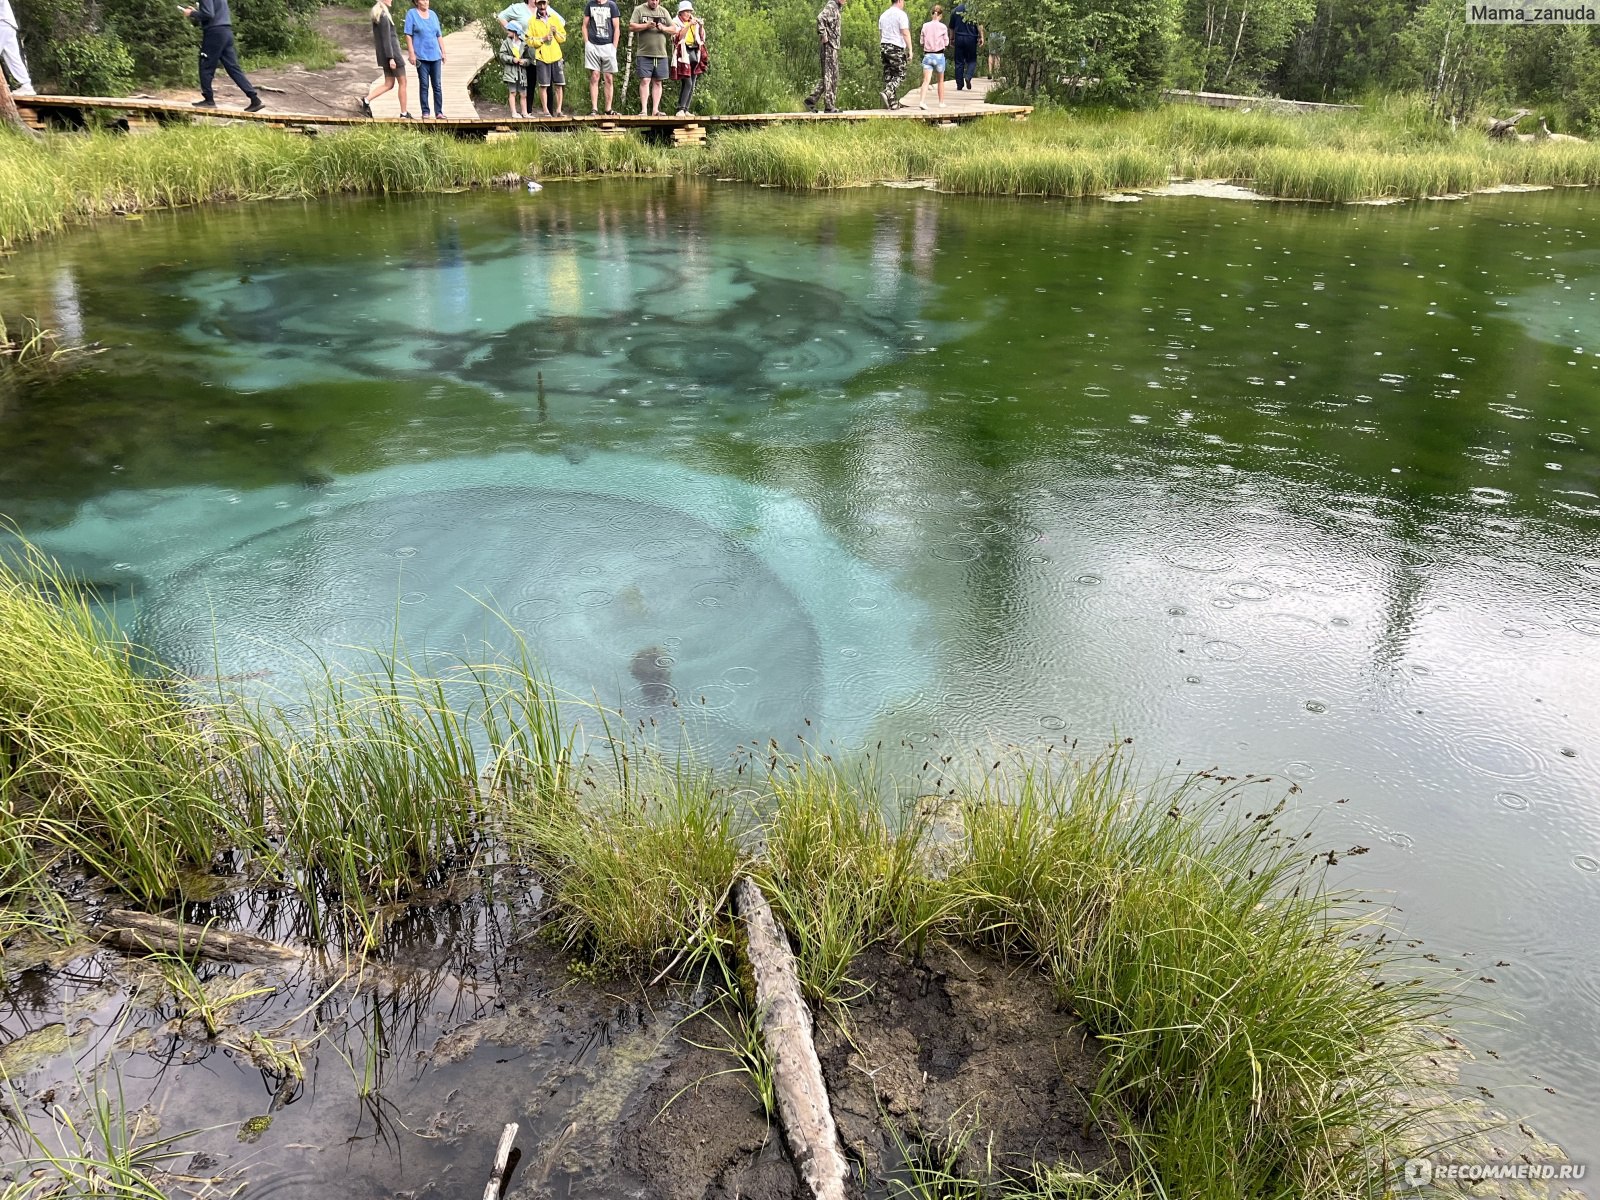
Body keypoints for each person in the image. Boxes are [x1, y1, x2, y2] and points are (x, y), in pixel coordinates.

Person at [180, 0, 263, 112]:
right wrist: (198, 12)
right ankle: (255, 99)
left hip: (214, 33)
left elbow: (209, 14)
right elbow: (214, 12)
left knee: (205, 65)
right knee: (233, 68)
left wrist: (191, 13)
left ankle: (209, 100)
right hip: (226, 31)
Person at [362, 0, 411, 118]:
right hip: (393, 55)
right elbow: (387, 39)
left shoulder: (379, 14)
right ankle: (404, 113)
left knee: (389, 83)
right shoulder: (383, 16)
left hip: (385, 56)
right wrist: (391, 58)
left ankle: (366, 100)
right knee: (403, 83)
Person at [629, 0, 675, 117]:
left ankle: (655, 110)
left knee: (658, 81)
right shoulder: (639, 10)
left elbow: (674, 29)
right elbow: (631, 26)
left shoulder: (663, 11)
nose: (654, 2)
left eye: (656, 0)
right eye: (652, 0)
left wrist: (663, 28)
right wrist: (646, 25)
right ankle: (644, 110)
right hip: (644, 53)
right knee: (645, 80)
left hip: (661, 54)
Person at [405, 0, 446, 118]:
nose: (426, 2)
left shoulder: (433, 15)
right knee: (424, 84)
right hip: (421, 57)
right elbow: (408, 35)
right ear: (417, 2)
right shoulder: (411, 14)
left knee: (437, 85)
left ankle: (439, 112)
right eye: (423, 0)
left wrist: (443, 52)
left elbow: (439, 35)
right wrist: (411, 53)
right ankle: (425, 112)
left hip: (435, 56)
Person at [527, 0, 567, 116]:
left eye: (544, 3)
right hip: (542, 56)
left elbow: (563, 38)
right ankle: (546, 111)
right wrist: (542, 39)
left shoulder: (554, 18)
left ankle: (559, 110)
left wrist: (555, 33)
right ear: (536, 4)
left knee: (559, 84)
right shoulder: (532, 21)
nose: (542, 6)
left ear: (547, 3)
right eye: (539, 4)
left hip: (556, 55)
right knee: (543, 85)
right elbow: (529, 40)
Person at [801, 0, 841, 114]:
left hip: (833, 46)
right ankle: (829, 105)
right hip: (829, 46)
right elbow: (820, 18)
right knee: (830, 75)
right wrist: (823, 35)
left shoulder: (836, 7)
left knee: (830, 76)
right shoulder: (831, 6)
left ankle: (811, 100)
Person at [582, 0, 621, 114]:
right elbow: (584, 25)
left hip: (608, 45)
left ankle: (608, 109)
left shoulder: (612, 5)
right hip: (593, 45)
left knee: (608, 77)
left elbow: (617, 28)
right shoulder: (590, 5)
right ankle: (594, 108)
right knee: (595, 76)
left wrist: (614, 47)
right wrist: (587, 43)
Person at [668, 0, 706, 116]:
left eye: (689, 12)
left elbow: (701, 37)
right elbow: (678, 37)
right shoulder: (675, 22)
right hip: (682, 53)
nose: (688, 14)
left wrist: (700, 26)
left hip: (693, 51)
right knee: (687, 81)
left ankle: (686, 109)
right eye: (686, 12)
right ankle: (680, 108)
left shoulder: (693, 23)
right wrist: (689, 25)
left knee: (693, 82)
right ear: (680, 12)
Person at [877, 0, 910, 110]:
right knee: (900, 74)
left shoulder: (883, 15)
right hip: (895, 47)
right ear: (899, 0)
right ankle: (888, 91)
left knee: (889, 74)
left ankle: (893, 103)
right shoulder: (901, 14)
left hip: (884, 46)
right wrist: (910, 49)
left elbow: (881, 33)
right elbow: (905, 32)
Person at [0, 0, 35, 97]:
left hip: (2, 23)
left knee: (13, 57)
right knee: (13, 58)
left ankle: (26, 85)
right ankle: (26, 85)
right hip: (7, 24)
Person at [499, 19, 531, 116]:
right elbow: (502, 55)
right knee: (512, 92)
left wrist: (524, 62)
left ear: (515, 32)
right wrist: (512, 59)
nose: (507, 31)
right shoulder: (506, 43)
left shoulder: (524, 44)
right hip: (511, 72)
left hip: (521, 73)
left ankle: (524, 113)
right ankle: (514, 112)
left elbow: (528, 59)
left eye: (509, 30)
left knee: (523, 94)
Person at [917, 4, 947, 109]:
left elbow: (921, 41)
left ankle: (922, 101)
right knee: (940, 81)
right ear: (941, 15)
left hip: (928, 55)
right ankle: (941, 102)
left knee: (926, 80)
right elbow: (946, 42)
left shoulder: (925, 26)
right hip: (939, 55)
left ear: (931, 14)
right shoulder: (943, 27)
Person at [947, 0, 981, 91]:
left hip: (959, 37)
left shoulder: (955, 10)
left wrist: (951, 39)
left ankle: (959, 84)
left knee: (959, 62)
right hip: (971, 38)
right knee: (972, 60)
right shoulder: (975, 10)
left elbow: (951, 27)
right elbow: (979, 25)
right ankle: (968, 76)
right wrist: (981, 37)